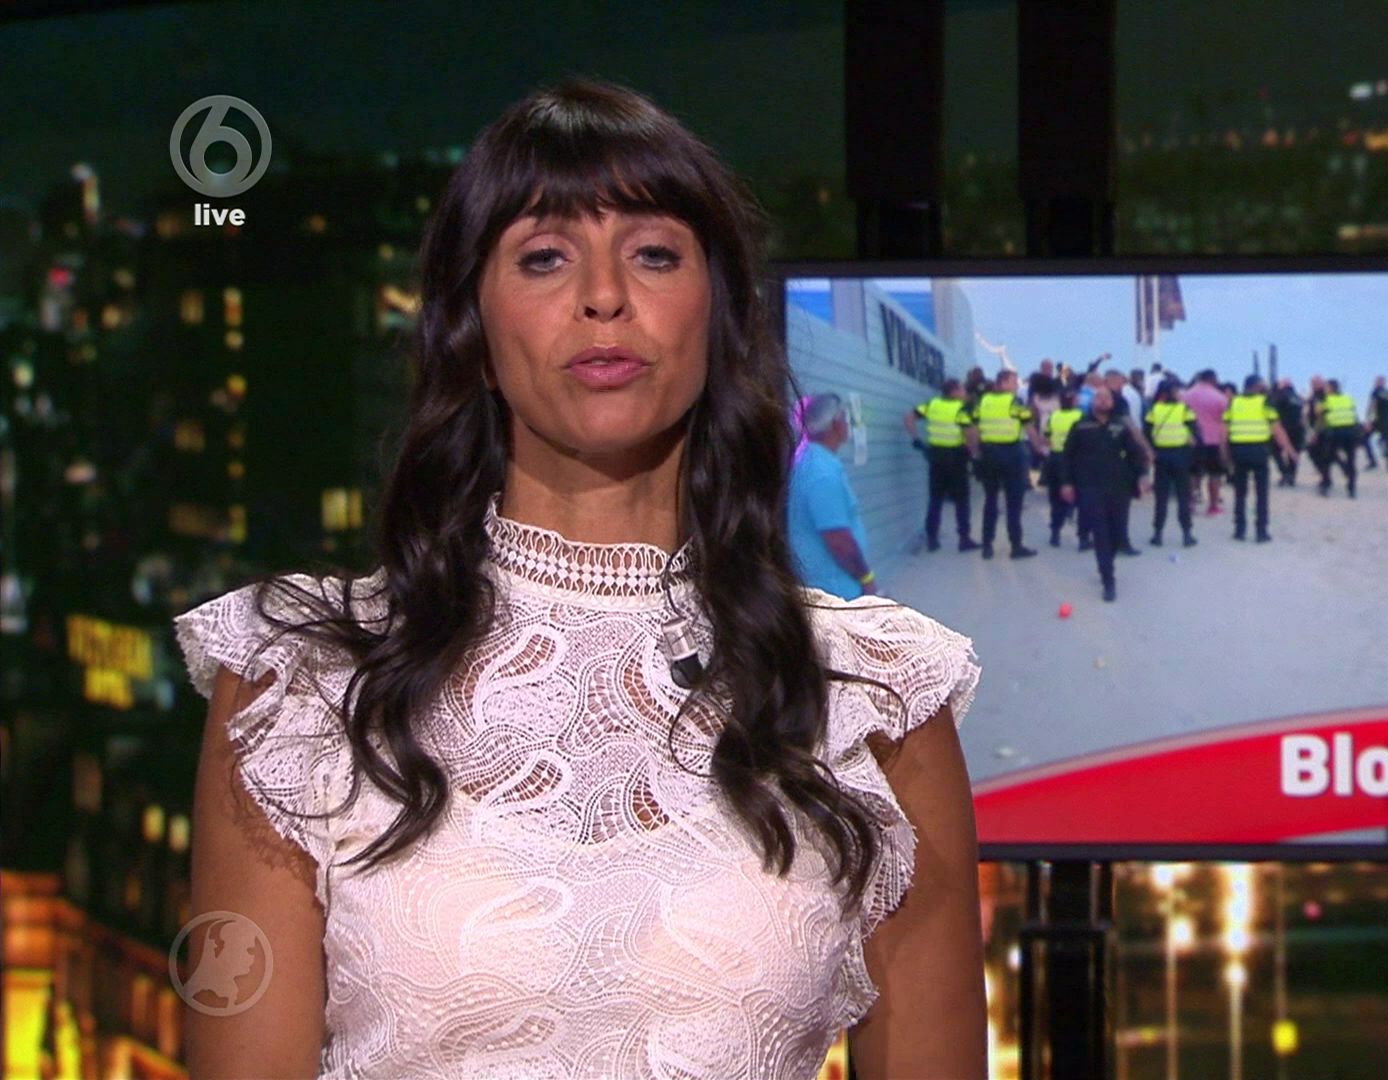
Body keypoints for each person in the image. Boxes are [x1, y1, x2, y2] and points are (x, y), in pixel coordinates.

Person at [171, 79, 986, 1079]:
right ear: (472, 332)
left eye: (654, 254)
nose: (604, 297)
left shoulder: (873, 696)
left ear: (720, 319)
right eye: (545, 257)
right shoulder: (301, 681)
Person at [1062, 385, 1152, 602]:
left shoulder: (1120, 426)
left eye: (1107, 398)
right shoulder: (1081, 426)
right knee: (1100, 533)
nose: (1102, 401)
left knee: (1116, 532)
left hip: (1119, 486)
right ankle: (1108, 579)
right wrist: (1066, 483)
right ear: (1093, 402)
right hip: (1090, 487)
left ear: (1112, 402)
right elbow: (1067, 457)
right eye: (1098, 397)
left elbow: (1135, 454)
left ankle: (1107, 562)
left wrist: (1142, 476)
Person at [788, 394, 876, 599]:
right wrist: (867, 579)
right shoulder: (822, 472)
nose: (847, 423)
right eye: (845, 417)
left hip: (824, 586)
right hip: (835, 591)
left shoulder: (811, 461)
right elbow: (838, 540)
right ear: (836, 424)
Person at [906, 378, 982, 553]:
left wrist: (916, 439)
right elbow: (970, 432)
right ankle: (964, 538)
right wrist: (974, 452)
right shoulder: (961, 408)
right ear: (954, 391)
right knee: (962, 499)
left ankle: (932, 539)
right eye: (962, 389)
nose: (964, 392)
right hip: (956, 456)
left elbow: (909, 418)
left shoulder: (932, 404)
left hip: (936, 456)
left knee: (936, 498)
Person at [974, 369, 1040, 560]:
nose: (1017, 385)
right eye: (1013, 381)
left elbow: (974, 427)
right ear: (1003, 383)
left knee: (990, 501)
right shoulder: (1015, 403)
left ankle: (987, 546)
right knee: (1013, 504)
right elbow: (1029, 428)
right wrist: (1039, 448)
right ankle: (1016, 546)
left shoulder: (983, 401)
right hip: (1012, 455)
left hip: (989, 454)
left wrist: (976, 451)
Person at [1224, 375, 1297, 541]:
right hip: (1259, 451)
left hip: (1239, 451)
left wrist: (1224, 452)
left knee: (1240, 493)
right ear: (1256, 387)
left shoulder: (1233, 403)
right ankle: (1261, 532)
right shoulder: (1265, 402)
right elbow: (1277, 429)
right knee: (1261, 494)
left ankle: (1239, 530)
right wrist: (1289, 450)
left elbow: (1224, 430)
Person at [1144, 381, 1200, 547]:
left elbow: (1146, 433)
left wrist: (1151, 452)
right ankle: (1187, 534)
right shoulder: (1184, 409)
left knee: (1161, 498)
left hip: (1161, 456)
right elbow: (1194, 431)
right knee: (1183, 496)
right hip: (1180, 455)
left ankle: (1157, 534)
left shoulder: (1154, 410)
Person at [1043, 383, 1088, 548]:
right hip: (1076, 460)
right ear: (1074, 400)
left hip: (1055, 458)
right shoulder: (1081, 416)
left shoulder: (1054, 416)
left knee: (1056, 499)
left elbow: (1046, 437)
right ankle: (1083, 538)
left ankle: (1055, 533)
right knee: (1082, 498)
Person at [1182, 368, 1231, 514]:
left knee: (1192, 473)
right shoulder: (1220, 398)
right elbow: (1224, 422)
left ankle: (1190, 504)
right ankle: (1213, 506)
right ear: (1213, 379)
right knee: (1214, 474)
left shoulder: (1185, 396)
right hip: (1213, 440)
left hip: (1192, 439)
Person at [1318, 378, 1362, 499]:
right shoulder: (1348, 398)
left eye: (1326, 387)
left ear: (1331, 388)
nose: (1325, 389)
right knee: (1351, 460)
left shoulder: (1327, 400)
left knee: (1326, 458)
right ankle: (1352, 489)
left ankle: (1325, 484)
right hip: (1350, 432)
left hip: (1335, 432)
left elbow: (1319, 414)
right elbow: (1354, 414)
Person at [1270, 376, 1307, 487]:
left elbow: (1273, 411)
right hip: (1298, 429)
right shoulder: (1298, 398)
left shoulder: (1279, 396)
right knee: (1294, 452)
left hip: (1283, 427)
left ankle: (1284, 472)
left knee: (1275, 450)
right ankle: (1291, 476)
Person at [1365, 375, 1388, 473]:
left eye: (1377, 381)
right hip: (1387, 421)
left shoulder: (1376, 392)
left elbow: (1372, 406)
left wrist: (1368, 421)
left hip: (1378, 421)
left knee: (1365, 438)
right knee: (1387, 442)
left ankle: (1373, 462)